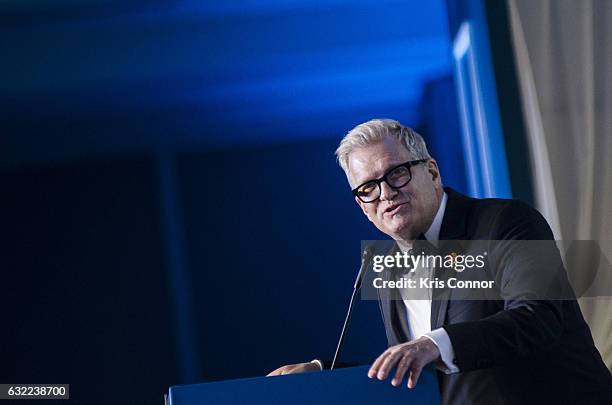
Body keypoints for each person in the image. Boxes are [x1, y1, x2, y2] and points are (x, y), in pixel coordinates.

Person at [267, 119, 612, 404]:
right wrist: (320, 375)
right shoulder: (385, 265)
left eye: (396, 173)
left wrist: (433, 344)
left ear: (431, 172)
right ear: (362, 206)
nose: (386, 193)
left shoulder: (507, 221)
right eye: (368, 187)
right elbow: (415, 370)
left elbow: (539, 318)